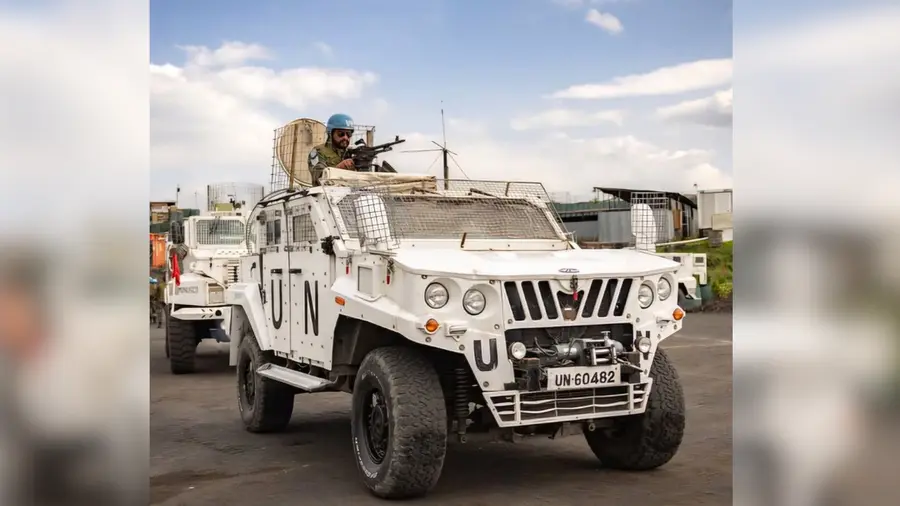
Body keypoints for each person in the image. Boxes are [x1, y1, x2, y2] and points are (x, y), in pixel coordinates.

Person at [308, 113, 357, 186]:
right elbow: (318, 177)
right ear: (330, 134)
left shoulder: (351, 153)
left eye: (349, 134)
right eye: (341, 134)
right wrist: (339, 168)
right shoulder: (317, 151)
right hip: (325, 192)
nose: (345, 137)